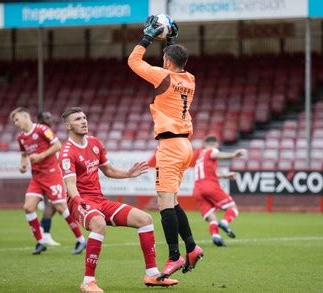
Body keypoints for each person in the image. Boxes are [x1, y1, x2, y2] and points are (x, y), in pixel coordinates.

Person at [59, 107, 179, 292]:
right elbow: (70, 184)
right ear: (67, 126)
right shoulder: (67, 152)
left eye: (84, 118)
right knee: (99, 224)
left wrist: (129, 174)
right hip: (80, 201)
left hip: (100, 200)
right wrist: (78, 201)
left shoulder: (95, 143)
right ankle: (88, 281)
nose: (83, 121)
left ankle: (152, 274)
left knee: (145, 220)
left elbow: (109, 171)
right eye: (77, 119)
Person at [128, 15, 203, 280]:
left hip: (171, 146)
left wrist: (148, 36)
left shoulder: (163, 76)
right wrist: (170, 39)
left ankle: (174, 256)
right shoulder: (189, 78)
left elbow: (133, 61)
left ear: (167, 62)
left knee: (164, 204)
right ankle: (191, 247)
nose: (162, 61)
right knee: (173, 201)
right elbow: (174, 60)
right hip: (185, 145)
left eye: (164, 59)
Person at [10, 107, 86, 255]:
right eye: (14, 121)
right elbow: (24, 154)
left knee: (60, 207)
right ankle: (40, 242)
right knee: (28, 207)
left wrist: (40, 156)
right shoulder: (21, 138)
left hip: (51, 174)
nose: (16, 123)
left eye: (17, 119)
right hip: (37, 177)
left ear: (25, 117)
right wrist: (23, 164)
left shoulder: (42, 129)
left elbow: (58, 145)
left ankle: (81, 239)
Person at [193, 135, 246, 247]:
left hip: (197, 189)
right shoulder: (211, 150)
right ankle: (225, 222)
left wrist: (225, 175)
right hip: (210, 186)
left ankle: (216, 237)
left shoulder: (200, 157)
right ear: (215, 143)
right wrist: (233, 155)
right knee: (232, 208)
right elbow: (215, 154)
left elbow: (211, 172)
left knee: (211, 217)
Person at [37, 111, 62, 248]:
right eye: (47, 117)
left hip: (50, 172)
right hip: (47, 174)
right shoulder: (43, 132)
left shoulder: (43, 133)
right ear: (40, 120)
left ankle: (42, 231)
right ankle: (44, 234)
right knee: (52, 204)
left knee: (54, 204)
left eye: (50, 117)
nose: (50, 119)